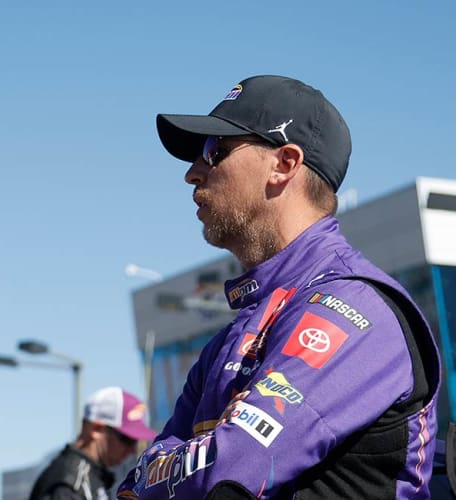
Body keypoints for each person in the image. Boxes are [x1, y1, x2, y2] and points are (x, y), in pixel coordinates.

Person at [117, 75, 441, 499]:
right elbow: (136, 484)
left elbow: (229, 476)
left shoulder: (353, 306)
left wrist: (189, 457)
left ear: (284, 164)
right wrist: (190, 458)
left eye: (215, 151)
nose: (193, 174)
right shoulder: (232, 336)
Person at [30, 387, 156, 500]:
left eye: (136, 442)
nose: (132, 450)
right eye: (127, 440)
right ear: (96, 429)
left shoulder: (90, 478)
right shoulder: (69, 484)